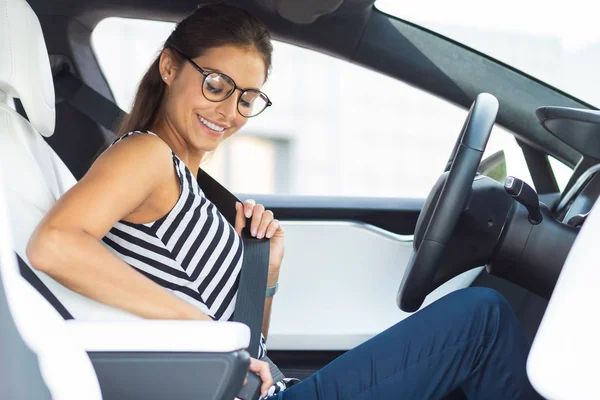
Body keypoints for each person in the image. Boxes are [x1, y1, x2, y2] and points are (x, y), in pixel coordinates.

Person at [26, 3, 542, 399]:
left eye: (247, 97)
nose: (228, 111)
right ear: (168, 67)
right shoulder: (145, 154)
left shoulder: (185, 177)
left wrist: (264, 274)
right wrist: (200, 329)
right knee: (482, 318)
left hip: (264, 387)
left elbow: (250, 351)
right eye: (216, 85)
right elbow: (54, 245)